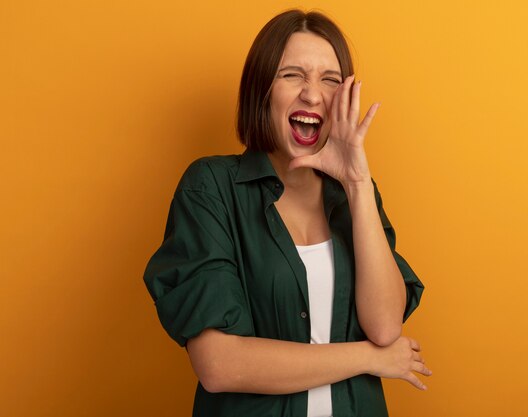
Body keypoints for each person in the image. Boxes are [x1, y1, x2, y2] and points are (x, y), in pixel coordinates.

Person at [144, 9, 430, 417]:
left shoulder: (357, 195)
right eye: (292, 75)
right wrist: (369, 359)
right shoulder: (211, 187)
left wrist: (358, 183)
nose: (313, 95)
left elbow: (385, 327)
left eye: (330, 80)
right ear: (261, 89)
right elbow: (219, 365)